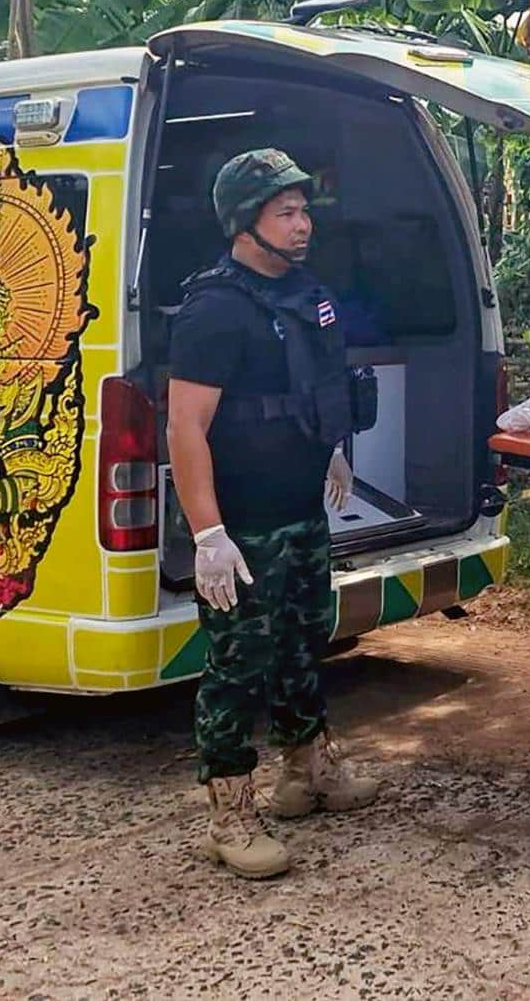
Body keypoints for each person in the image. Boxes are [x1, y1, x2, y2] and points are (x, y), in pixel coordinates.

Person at [167, 147, 380, 881]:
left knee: (301, 644)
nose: (302, 223)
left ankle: (306, 772)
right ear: (243, 221)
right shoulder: (214, 308)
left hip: (301, 512)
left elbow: (315, 389)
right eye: (285, 212)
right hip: (245, 524)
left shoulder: (306, 294)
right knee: (236, 667)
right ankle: (229, 813)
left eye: (302, 209)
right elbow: (185, 427)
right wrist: (208, 532)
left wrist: (328, 451)